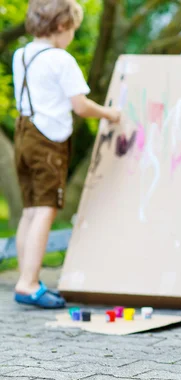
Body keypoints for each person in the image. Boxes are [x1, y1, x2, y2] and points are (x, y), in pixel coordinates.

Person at [12, 0, 120, 308]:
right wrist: (110, 114)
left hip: (25, 134)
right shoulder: (60, 59)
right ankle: (29, 284)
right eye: (73, 29)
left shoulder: (22, 54)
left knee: (31, 210)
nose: (72, 35)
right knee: (46, 210)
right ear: (62, 26)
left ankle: (25, 278)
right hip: (47, 142)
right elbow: (81, 106)